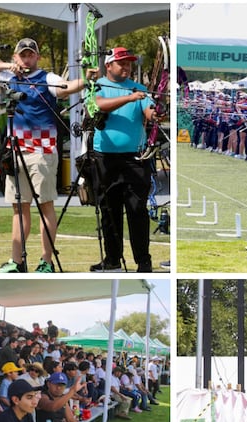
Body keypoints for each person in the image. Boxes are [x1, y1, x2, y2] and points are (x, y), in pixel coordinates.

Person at [0, 39, 96, 273]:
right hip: (15, 151)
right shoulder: (9, 77)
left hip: (42, 152)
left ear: (37, 57)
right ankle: (16, 262)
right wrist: (9, 66)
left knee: (45, 206)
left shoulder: (47, 78)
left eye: (30, 55)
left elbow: (65, 88)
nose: (26, 59)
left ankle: (46, 261)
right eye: (22, 55)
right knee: (19, 207)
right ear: (16, 57)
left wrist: (87, 80)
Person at [90, 46, 157, 273]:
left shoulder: (140, 90)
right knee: (109, 211)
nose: (126, 67)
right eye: (122, 63)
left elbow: (149, 111)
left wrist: (156, 113)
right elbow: (98, 105)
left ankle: (143, 260)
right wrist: (129, 97)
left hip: (135, 159)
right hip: (104, 158)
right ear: (108, 65)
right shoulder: (97, 85)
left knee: (137, 210)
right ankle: (112, 259)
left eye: (129, 63)